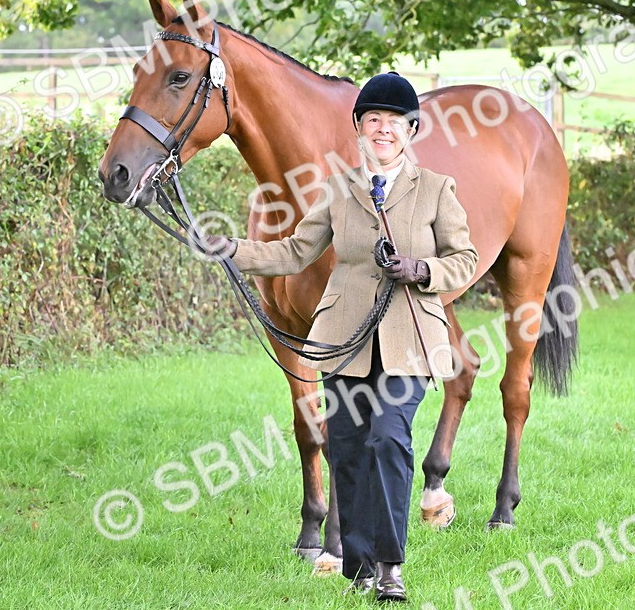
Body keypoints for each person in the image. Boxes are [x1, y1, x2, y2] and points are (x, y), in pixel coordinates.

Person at [200, 72, 478, 602]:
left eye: (394, 122)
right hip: (345, 341)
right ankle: (360, 565)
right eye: (373, 120)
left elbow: (464, 259)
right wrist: (231, 248)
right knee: (347, 450)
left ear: (411, 130)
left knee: (388, 438)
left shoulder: (437, 190)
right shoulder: (337, 190)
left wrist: (421, 269)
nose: (383, 130)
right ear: (358, 127)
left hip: (409, 339)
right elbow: (294, 252)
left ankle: (391, 566)